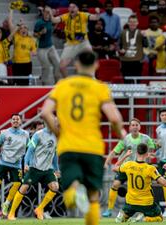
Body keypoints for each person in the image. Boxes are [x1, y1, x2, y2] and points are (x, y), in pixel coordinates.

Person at [41, 51, 126, 225]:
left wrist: (58, 134)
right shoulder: (100, 87)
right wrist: (121, 133)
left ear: (76, 64)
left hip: (68, 146)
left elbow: (45, 112)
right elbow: (115, 118)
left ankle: (72, 192)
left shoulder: (63, 85)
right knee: (93, 196)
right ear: (96, 65)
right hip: (92, 147)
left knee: (71, 184)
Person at [113, 143, 166, 223]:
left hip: (131, 203)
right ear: (147, 154)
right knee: (160, 218)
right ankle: (144, 219)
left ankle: (123, 216)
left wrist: (126, 155)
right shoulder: (150, 168)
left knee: (120, 220)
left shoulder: (128, 165)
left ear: (136, 152)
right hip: (147, 204)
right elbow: (164, 183)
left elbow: (115, 167)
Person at [102, 118, 156, 217]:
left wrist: (153, 153)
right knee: (115, 185)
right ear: (130, 127)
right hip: (126, 167)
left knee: (143, 189)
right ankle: (109, 210)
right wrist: (106, 162)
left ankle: (144, 211)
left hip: (139, 168)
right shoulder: (125, 139)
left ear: (139, 127)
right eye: (133, 125)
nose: (135, 127)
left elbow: (152, 148)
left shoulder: (146, 138)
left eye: (136, 125)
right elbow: (114, 152)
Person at [7, 126, 60, 220]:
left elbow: (54, 154)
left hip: (48, 169)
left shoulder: (57, 136)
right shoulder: (38, 135)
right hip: (34, 168)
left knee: (55, 187)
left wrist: (56, 169)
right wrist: (26, 164)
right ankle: (11, 213)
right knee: (24, 188)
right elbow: (30, 150)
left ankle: (39, 209)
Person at [45, 1, 101, 77]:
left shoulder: (83, 15)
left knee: (90, 60)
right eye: (70, 7)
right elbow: (54, 20)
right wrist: (51, 14)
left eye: (73, 7)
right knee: (62, 66)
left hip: (83, 43)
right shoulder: (66, 16)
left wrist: (97, 13)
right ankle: (67, 82)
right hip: (70, 44)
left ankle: (92, 79)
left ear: (78, 9)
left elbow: (96, 18)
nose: (71, 8)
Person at [0, 114, 29, 217]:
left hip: (17, 164)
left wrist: (27, 163)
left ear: (20, 121)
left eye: (17, 119)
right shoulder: (4, 133)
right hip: (3, 162)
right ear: (11, 121)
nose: (15, 121)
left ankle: (6, 203)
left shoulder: (26, 134)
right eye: (13, 119)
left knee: (17, 184)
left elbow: (28, 149)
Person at [8, 9, 37, 85]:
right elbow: (10, 23)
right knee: (17, 83)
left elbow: (34, 51)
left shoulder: (31, 39)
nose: (23, 29)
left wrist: (33, 53)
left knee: (26, 84)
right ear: (18, 30)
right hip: (17, 64)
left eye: (25, 28)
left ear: (27, 30)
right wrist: (11, 11)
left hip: (27, 64)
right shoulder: (16, 36)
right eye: (21, 28)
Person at [34, 7, 61, 85]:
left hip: (50, 47)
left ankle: (57, 83)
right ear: (43, 13)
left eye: (49, 12)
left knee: (58, 64)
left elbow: (54, 25)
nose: (47, 14)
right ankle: (44, 85)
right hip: (41, 48)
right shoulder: (39, 23)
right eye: (46, 12)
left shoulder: (52, 20)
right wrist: (40, 33)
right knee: (46, 67)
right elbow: (34, 35)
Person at [119, 15, 148, 83]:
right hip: (125, 60)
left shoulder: (141, 32)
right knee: (126, 81)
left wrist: (144, 37)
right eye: (131, 22)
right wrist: (120, 50)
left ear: (137, 23)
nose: (132, 24)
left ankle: (137, 94)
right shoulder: (123, 32)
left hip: (137, 60)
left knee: (137, 81)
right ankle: (127, 94)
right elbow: (119, 45)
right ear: (128, 23)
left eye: (134, 22)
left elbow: (146, 45)